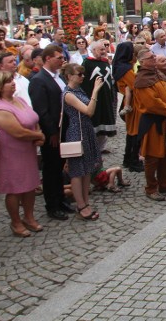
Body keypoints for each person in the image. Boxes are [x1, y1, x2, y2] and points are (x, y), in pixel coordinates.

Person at [0, 71, 46, 236]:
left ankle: (29, 217)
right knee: (14, 188)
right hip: (10, 153)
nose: (13, 84)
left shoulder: (19, 100)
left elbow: (33, 119)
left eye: (12, 81)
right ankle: (15, 222)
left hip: (27, 150)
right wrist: (38, 136)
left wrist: (38, 133)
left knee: (30, 185)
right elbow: (18, 132)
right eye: (8, 82)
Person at [28, 45, 73, 220]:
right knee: (51, 169)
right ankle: (52, 204)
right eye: (59, 58)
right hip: (52, 132)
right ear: (48, 59)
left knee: (59, 168)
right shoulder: (39, 80)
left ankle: (61, 199)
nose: (62, 61)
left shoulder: (59, 77)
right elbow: (41, 110)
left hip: (64, 129)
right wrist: (52, 132)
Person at [132, 49, 166, 202]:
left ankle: (164, 183)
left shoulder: (160, 74)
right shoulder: (142, 80)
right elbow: (151, 103)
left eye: (154, 56)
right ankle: (151, 187)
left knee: (165, 154)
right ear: (142, 62)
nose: (154, 59)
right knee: (152, 157)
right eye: (150, 58)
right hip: (153, 122)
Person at [60, 63, 104, 221]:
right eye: (79, 74)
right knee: (77, 170)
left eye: (83, 74)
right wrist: (95, 91)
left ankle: (85, 202)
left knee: (86, 170)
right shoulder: (68, 94)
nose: (82, 77)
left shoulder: (78, 90)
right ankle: (81, 205)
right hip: (76, 132)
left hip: (85, 131)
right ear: (69, 76)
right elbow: (88, 111)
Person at [81, 40, 117, 154]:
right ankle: (93, 147)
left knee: (104, 119)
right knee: (95, 121)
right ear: (93, 50)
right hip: (94, 97)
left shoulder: (105, 62)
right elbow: (84, 81)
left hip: (105, 97)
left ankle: (101, 147)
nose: (103, 51)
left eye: (104, 49)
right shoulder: (87, 63)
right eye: (101, 49)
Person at [112, 41, 143, 173]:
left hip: (128, 101)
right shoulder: (126, 70)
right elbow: (136, 85)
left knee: (131, 133)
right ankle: (133, 162)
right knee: (135, 132)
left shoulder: (120, 66)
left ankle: (128, 159)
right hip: (134, 104)